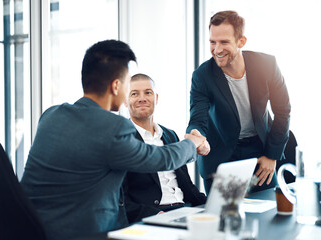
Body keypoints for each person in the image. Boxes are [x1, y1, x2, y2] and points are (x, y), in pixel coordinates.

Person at [21, 40, 208, 240]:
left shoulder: (50, 115)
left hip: (32, 229)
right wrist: (193, 142)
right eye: (129, 85)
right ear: (117, 86)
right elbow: (162, 159)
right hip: (86, 233)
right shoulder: (113, 128)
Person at [187, 10, 291, 194]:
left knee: (267, 211)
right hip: (222, 155)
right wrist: (195, 134)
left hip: (260, 152)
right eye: (213, 42)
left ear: (241, 41)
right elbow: (198, 117)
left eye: (224, 42)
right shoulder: (202, 75)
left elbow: (282, 111)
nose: (217, 49)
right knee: (226, 218)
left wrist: (272, 155)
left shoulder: (266, 65)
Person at [122, 74, 208, 223]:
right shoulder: (122, 139)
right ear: (125, 101)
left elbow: (186, 185)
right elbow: (122, 200)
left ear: (156, 98)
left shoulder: (170, 135)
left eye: (148, 93)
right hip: (154, 215)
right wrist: (155, 216)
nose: (142, 98)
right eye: (134, 94)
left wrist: (212, 204)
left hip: (185, 210)